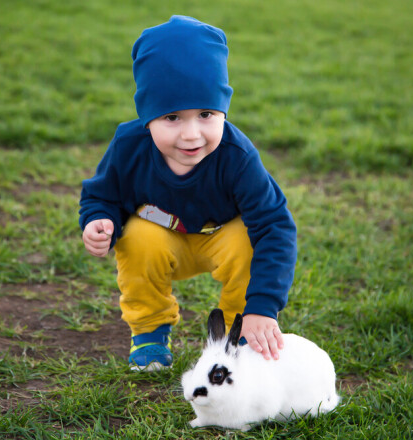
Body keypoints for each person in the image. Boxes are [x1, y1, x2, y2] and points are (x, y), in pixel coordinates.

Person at [79, 15, 297, 370]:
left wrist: (263, 307)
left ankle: (239, 332)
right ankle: (149, 333)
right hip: (164, 241)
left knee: (248, 239)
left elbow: (275, 227)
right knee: (136, 238)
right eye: (172, 117)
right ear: (147, 115)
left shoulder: (237, 157)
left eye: (207, 114)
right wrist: (98, 219)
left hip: (222, 239)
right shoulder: (129, 145)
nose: (192, 134)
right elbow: (103, 196)